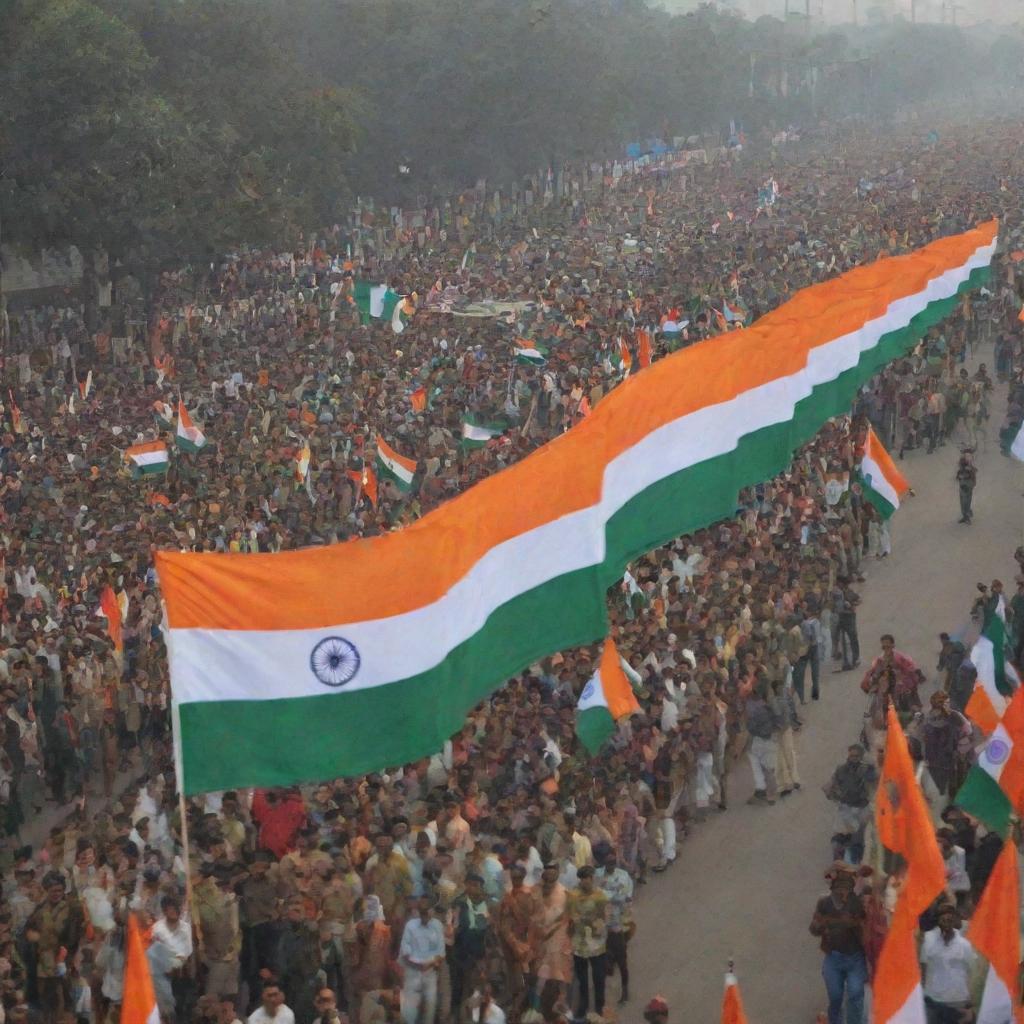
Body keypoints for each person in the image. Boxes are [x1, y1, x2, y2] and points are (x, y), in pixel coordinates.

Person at [809, 870, 867, 1024]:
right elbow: (813, 929)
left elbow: (867, 928)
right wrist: (823, 923)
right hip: (833, 958)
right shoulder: (824, 903)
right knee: (835, 997)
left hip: (855, 959)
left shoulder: (858, 905)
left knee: (855, 994)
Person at [919, 905, 975, 1024]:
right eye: (943, 919)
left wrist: (970, 1005)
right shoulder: (928, 940)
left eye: (949, 919)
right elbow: (923, 969)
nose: (946, 923)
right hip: (933, 1002)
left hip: (958, 1002)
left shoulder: (964, 945)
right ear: (938, 921)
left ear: (954, 920)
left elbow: (972, 973)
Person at [566, 866, 608, 1022]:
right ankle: (583, 1007)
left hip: (596, 944)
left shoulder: (600, 897)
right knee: (582, 980)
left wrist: (591, 923)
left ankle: (599, 1008)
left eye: (587, 878)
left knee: (598, 978)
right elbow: (569, 917)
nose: (585, 881)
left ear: (592, 878)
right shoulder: (573, 896)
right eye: (582, 878)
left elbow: (603, 918)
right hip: (579, 944)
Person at [593, 843, 633, 1005]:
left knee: (622, 959)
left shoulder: (623, 876)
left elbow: (623, 899)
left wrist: (603, 894)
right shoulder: (597, 875)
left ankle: (625, 989)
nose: (611, 863)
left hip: (618, 925)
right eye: (608, 861)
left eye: (613, 861)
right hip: (601, 925)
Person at [823, 746, 876, 866]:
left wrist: (870, 767)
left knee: (858, 837)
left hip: (862, 808)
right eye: (852, 756)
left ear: (861, 757)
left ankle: (855, 861)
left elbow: (874, 779)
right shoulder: (841, 770)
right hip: (846, 807)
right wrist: (833, 793)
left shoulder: (867, 771)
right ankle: (838, 861)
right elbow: (831, 786)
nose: (854, 759)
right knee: (840, 835)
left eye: (857, 756)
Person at [398, 896, 445, 1024]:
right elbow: (405, 953)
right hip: (412, 973)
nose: (424, 913)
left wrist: (429, 965)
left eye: (427, 910)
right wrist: (419, 965)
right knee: (409, 1014)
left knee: (429, 1012)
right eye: (422, 910)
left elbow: (441, 953)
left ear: (432, 911)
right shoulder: (410, 926)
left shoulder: (438, 926)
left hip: (430, 974)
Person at [955, 454, 976, 524]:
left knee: (966, 503)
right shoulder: (961, 470)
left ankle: (967, 516)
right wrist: (959, 477)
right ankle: (965, 516)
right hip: (962, 489)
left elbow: (973, 480)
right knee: (963, 503)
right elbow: (958, 477)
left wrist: (969, 486)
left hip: (967, 489)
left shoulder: (970, 470)